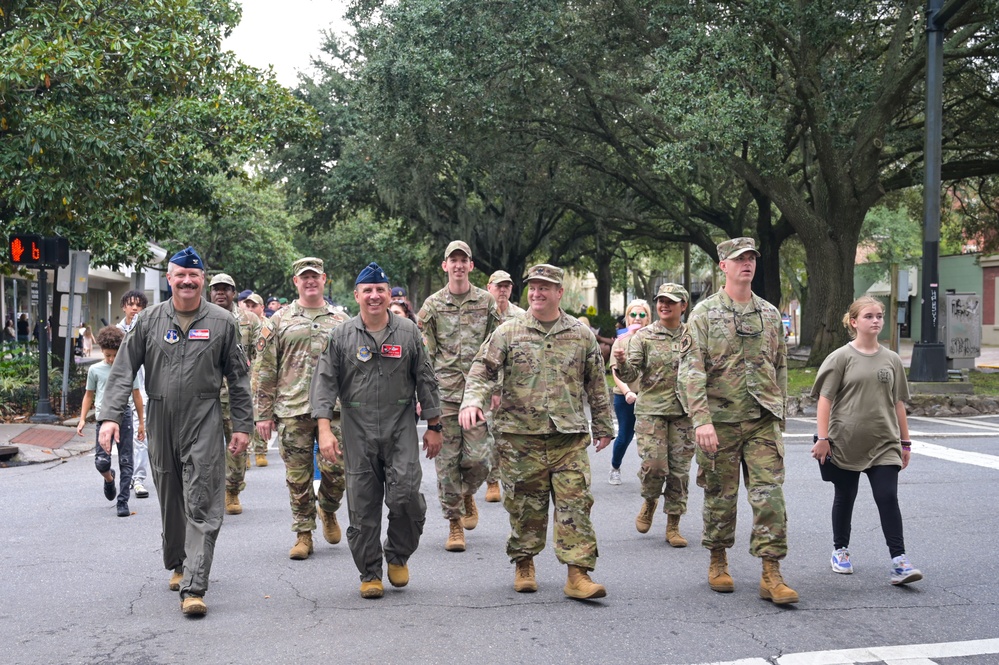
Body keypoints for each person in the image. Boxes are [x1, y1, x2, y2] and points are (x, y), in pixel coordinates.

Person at [99, 246, 252, 616]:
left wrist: (243, 425)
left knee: (201, 498)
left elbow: (239, 377)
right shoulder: (149, 320)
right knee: (170, 497)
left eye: (193, 275)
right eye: (179, 275)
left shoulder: (222, 322)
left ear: (202, 279)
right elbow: (123, 371)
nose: (186, 281)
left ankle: (195, 587)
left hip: (204, 415)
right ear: (169, 279)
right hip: (160, 414)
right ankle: (178, 563)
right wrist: (110, 417)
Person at [459, 264, 614, 600]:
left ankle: (578, 574)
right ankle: (524, 562)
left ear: (560, 292)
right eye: (533, 287)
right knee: (525, 507)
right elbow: (481, 372)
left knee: (576, 505)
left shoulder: (580, 334)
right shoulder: (508, 332)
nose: (537, 293)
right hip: (520, 438)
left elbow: (597, 384)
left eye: (545, 287)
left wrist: (604, 425)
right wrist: (472, 402)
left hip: (568, 437)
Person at [310, 262, 443, 599]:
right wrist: (324, 430)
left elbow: (425, 379)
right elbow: (324, 383)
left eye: (379, 290)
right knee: (363, 505)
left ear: (388, 295)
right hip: (357, 429)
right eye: (366, 290)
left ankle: (397, 554)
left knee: (407, 497)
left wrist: (435, 425)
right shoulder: (341, 336)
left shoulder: (409, 333)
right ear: (356, 296)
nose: (373, 296)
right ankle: (370, 572)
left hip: (400, 427)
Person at [681, 237, 798, 605]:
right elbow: (691, 372)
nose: (746, 264)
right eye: (738, 259)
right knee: (721, 497)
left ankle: (771, 571)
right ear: (723, 266)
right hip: (720, 422)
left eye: (751, 258)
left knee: (770, 497)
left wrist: (779, 413)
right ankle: (718, 559)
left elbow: (779, 365)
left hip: (762, 420)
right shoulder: (703, 314)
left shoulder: (768, 313)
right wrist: (701, 420)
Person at [810, 296, 923, 586]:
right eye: (869, 316)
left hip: (884, 442)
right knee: (845, 497)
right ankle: (840, 551)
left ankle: (899, 561)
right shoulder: (840, 358)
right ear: (854, 321)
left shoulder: (892, 359)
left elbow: (898, 403)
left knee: (887, 496)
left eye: (879, 316)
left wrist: (905, 442)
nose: (876, 321)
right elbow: (825, 400)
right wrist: (823, 438)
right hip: (845, 441)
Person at [255, 257, 347, 560]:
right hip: (291, 409)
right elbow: (266, 369)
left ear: (324, 280)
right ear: (296, 282)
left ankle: (328, 508)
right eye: (304, 277)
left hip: (333, 410)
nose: (310, 281)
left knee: (338, 470)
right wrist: (262, 414)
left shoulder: (341, 321)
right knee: (298, 477)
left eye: (315, 276)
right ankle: (303, 534)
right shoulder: (278, 321)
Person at [417, 240, 499, 552]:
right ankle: (454, 523)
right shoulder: (433, 305)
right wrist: (424, 396)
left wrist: (497, 389)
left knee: (479, 459)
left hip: (477, 393)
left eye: (463, 260)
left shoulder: (486, 302)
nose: (458, 265)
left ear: (471, 265)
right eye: (453, 260)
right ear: (445, 266)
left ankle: (467, 493)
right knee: (447, 462)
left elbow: (498, 347)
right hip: (445, 393)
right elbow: (425, 355)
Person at [613, 284, 696, 547]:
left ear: (683, 305)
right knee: (656, 466)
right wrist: (622, 362)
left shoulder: (694, 336)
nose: (664, 305)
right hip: (652, 411)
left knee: (680, 472)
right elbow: (629, 375)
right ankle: (649, 501)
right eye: (660, 301)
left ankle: (673, 525)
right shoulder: (644, 336)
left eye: (671, 301)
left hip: (684, 412)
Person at [208, 273, 266, 515]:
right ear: (210, 292)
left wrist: (254, 382)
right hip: (207, 393)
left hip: (236, 394)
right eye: (216, 289)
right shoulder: (201, 316)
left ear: (234, 292)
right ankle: (210, 492)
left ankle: (232, 490)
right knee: (206, 447)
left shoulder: (250, 320)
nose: (221, 292)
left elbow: (261, 354)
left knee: (237, 445)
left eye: (226, 289)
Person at [77, 326, 145, 517]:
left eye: (115, 355)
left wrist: (141, 422)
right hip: (102, 419)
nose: (112, 360)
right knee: (101, 462)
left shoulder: (127, 369)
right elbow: (88, 396)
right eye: (108, 355)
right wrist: (82, 419)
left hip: (125, 417)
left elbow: (137, 396)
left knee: (126, 460)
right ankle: (109, 479)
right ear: (102, 351)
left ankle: (122, 502)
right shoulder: (95, 370)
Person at [482, 269, 527, 503]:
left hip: (513, 383)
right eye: (498, 285)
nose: (502, 290)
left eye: (507, 286)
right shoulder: (481, 313)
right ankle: (492, 480)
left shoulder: (521, 316)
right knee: (489, 433)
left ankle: (510, 479)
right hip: (488, 382)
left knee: (512, 434)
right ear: (489, 287)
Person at [607, 299, 652, 485]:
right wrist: (627, 392)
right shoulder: (620, 341)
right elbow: (615, 373)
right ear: (627, 317)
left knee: (650, 437)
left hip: (648, 397)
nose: (637, 318)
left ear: (648, 318)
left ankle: (649, 472)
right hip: (625, 397)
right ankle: (615, 467)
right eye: (633, 314)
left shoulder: (654, 340)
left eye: (642, 314)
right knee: (624, 436)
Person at [117, 290, 151, 499]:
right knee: (123, 438)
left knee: (141, 436)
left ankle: (138, 479)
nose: (135, 308)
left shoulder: (148, 330)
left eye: (139, 305)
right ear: (124, 307)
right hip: (122, 393)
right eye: (131, 304)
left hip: (142, 392)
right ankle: (126, 475)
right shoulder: (116, 332)